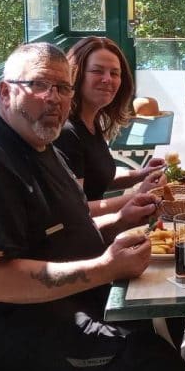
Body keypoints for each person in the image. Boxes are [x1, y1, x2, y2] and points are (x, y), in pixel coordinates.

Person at [0, 43, 185, 371]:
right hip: (7, 327)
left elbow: (69, 226)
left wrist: (120, 221)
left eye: (63, 88)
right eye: (40, 85)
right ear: (5, 90)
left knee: (170, 299)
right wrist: (106, 267)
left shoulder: (42, 142)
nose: (54, 98)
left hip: (53, 302)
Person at [55, 37, 166, 238]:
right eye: (97, 71)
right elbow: (78, 208)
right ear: (75, 74)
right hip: (84, 239)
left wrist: (141, 174)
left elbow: (96, 177)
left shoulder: (92, 121)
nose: (108, 79)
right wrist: (140, 194)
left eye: (115, 73)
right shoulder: (67, 133)